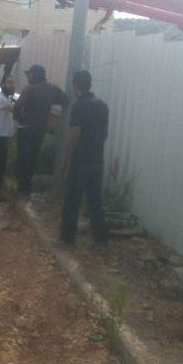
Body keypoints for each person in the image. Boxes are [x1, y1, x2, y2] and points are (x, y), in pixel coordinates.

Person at [59, 70, 110, 250]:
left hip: (80, 160)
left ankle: (67, 239)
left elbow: (74, 135)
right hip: (97, 159)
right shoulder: (103, 105)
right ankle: (101, 240)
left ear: (75, 86)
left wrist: (65, 159)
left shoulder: (79, 106)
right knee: (95, 201)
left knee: (72, 200)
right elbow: (105, 134)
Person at [14, 64, 70, 199]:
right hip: (40, 130)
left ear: (34, 75)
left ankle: (23, 189)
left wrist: (19, 118)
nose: (27, 77)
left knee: (23, 159)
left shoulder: (29, 89)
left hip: (26, 128)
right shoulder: (52, 89)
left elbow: (18, 106)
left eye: (29, 74)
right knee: (33, 159)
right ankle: (26, 188)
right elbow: (66, 100)